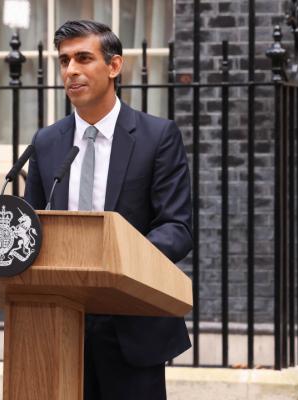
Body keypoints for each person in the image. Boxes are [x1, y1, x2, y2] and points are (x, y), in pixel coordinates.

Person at [23, 20, 193, 399]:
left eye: (84, 58)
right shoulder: (46, 142)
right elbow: (32, 224)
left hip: (131, 319)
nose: (71, 70)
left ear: (114, 66)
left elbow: (177, 228)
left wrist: (115, 262)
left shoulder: (157, 136)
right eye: (64, 61)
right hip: (59, 320)